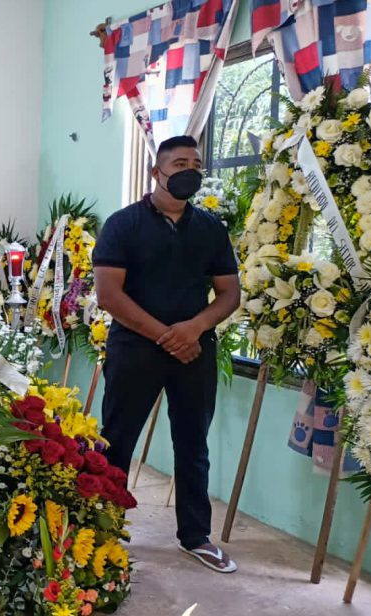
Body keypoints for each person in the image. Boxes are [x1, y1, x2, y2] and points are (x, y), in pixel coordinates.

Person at [92, 135, 241, 573]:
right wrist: (164, 335)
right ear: (157, 173)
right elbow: (108, 295)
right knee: (117, 440)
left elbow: (229, 293)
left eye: (195, 162)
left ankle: (195, 536)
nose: (189, 170)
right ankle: (101, 529)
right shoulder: (123, 225)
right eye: (179, 163)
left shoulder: (211, 228)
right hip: (135, 349)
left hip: (194, 350)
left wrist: (194, 328)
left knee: (193, 443)